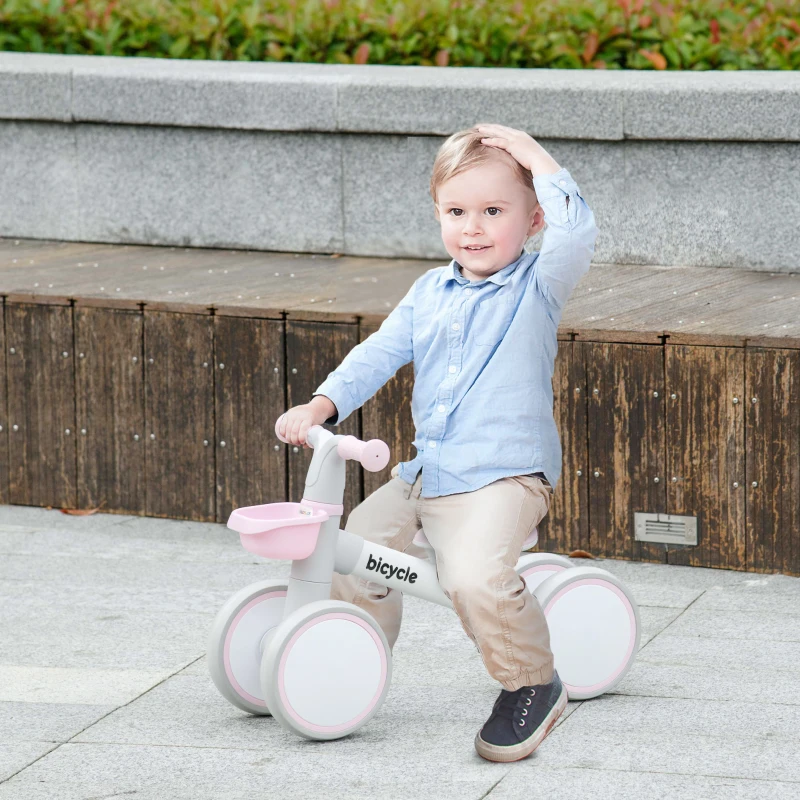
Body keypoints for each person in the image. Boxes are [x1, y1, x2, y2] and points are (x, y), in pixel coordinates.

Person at [278, 122, 598, 762]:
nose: (473, 228)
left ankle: (533, 683)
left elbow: (578, 229)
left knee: (474, 577)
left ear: (533, 220)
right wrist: (322, 403)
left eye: (493, 211)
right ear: (437, 214)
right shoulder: (430, 291)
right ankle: (346, 661)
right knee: (348, 550)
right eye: (456, 212)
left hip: (505, 478)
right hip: (428, 475)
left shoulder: (537, 286)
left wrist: (534, 157)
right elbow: (379, 354)